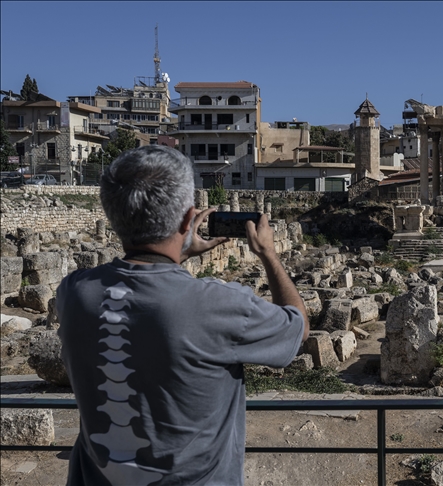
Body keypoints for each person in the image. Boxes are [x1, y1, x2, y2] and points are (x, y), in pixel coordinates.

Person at [57, 145, 309, 485]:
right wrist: (268, 254)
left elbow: (148, 293)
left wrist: (177, 253)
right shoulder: (218, 304)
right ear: (189, 219)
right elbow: (298, 327)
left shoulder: (73, 292)